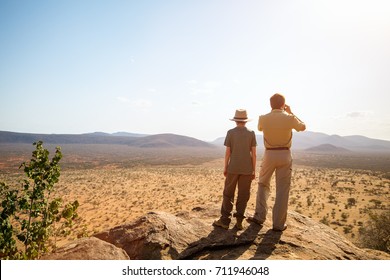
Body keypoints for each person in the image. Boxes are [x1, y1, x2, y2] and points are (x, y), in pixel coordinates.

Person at [247, 93, 306, 231]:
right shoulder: (290, 118)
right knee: (282, 189)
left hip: (269, 154)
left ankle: (260, 216)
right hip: (285, 154)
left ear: (270, 104)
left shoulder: (263, 118)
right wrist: (291, 113)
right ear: (283, 105)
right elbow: (302, 127)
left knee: (263, 183)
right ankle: (278, 224)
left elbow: (260, 128)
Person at [213, 109, 257, 230]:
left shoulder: (230, 133)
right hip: (247, 169)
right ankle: (239, 222)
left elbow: (228, 152)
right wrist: (254, 170)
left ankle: (225, 221)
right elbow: (254, 154)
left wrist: (225, 167)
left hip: (233, 168)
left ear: (236, 120)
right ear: (245, 121)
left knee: (228, 194)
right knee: (243, 195)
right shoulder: (251, 133)